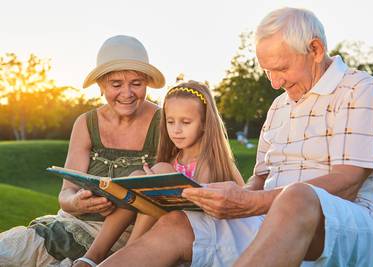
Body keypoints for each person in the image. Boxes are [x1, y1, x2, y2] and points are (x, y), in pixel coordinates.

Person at [99, 7, 373, 267]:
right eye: (267, 71)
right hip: (270, 221)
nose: (274, 82)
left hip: (352, 228)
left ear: (316, 50)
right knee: (178, 224)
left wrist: (252, 203)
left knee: (296, 196)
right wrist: (223, 194)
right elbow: (258, 182)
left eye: (281, 68)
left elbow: (347, 183)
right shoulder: (279, 106)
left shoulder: (360, 89)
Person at [0, 34, 165, 266]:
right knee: (7, 250)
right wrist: (77, 202)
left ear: (146, 82)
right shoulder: (86, 124)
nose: (127, 93)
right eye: (116, 84)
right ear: (101, 86)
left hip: (129, 238)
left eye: (136, 84)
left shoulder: (165, 123)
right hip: (72, 227)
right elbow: (65, 195)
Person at [75, 80, 245, 266]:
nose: (176, 130)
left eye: (186, 122)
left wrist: (158, 187)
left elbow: (214, 211)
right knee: (138, 177)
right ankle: (93, 256)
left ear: (204, 124)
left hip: (197, 233)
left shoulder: (210, 163)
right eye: (170, 122)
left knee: (158, 176)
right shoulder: (174, 158)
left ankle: (127, 254)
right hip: (162, 226)